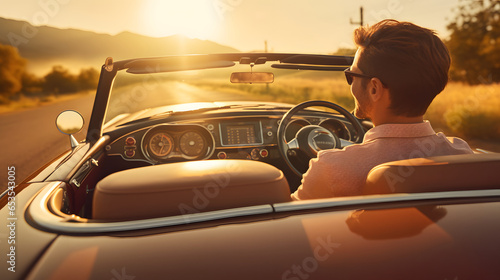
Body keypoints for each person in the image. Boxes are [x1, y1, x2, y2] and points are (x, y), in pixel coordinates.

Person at [291, 19, 473, 200]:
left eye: (351, 76)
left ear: (374, 89)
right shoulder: (462, 155)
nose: (351, 84)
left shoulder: (331, 168)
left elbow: (286, 221)